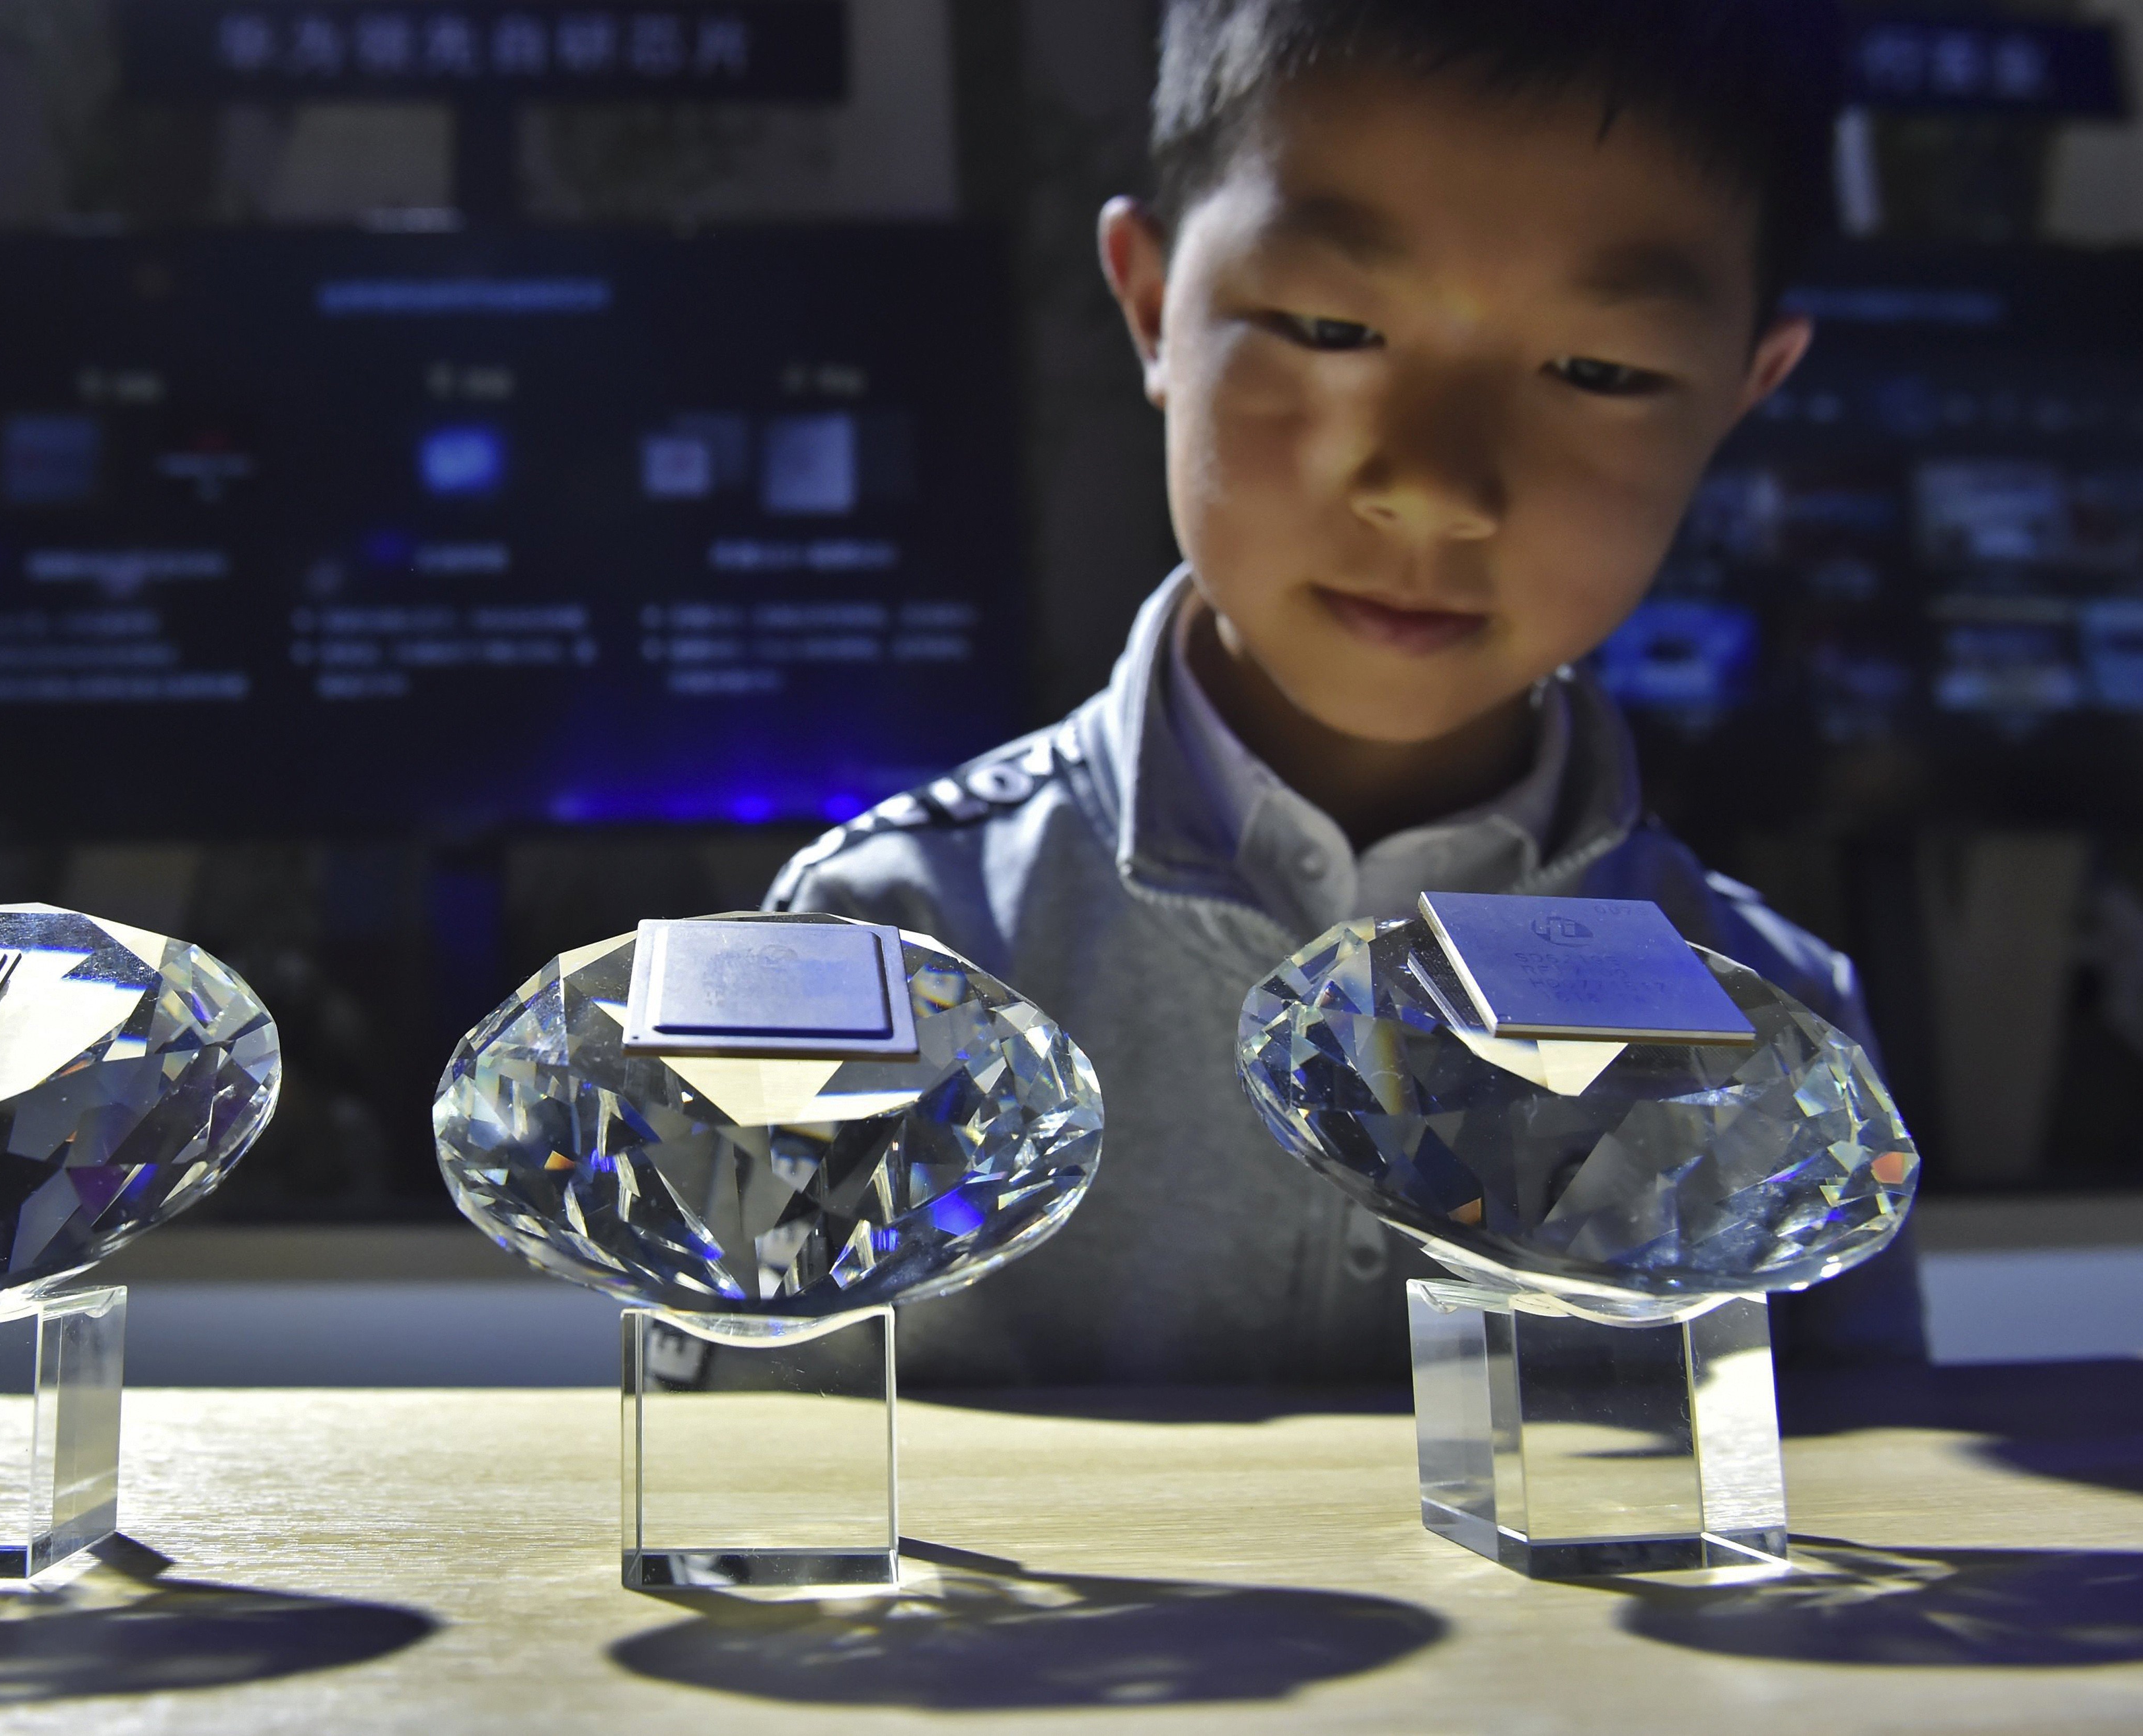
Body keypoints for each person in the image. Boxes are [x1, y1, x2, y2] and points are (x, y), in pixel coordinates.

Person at [767, 0, 1925, 1385]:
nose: (1431, 486)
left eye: (1599, 372)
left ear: (1748, 388)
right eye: (1329, 327)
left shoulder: (1776, 1032)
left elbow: (1856, 1537)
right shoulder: (885, 950)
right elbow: (768, 1521)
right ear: (1151, 304)